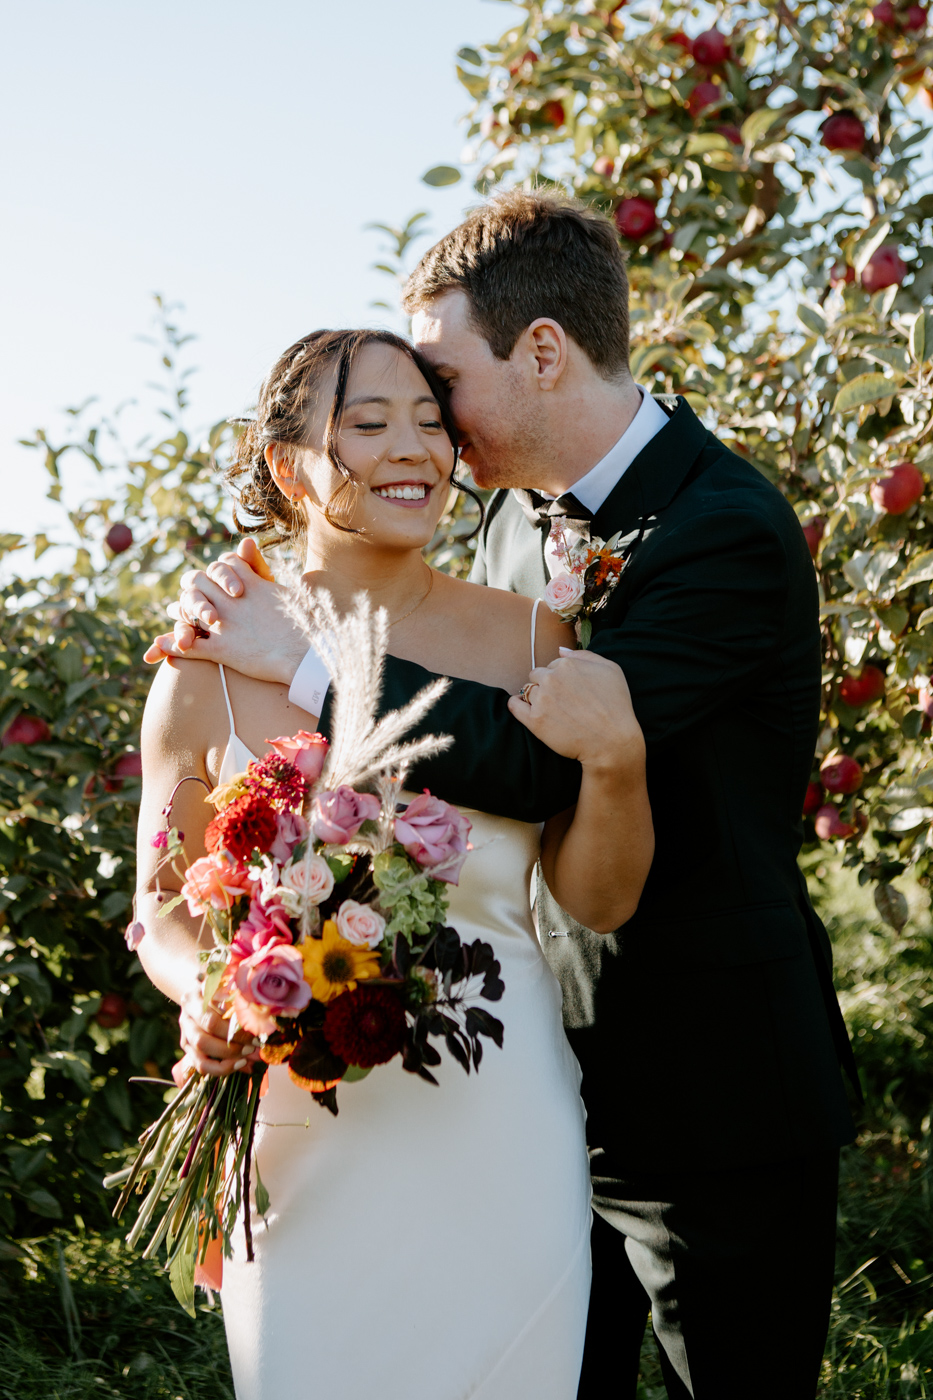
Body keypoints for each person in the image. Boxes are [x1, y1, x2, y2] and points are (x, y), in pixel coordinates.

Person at [150, 190, 860, 1400]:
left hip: (710, 1080)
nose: (433, 432)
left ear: (540, 350)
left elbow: (534, 763)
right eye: (389, 411)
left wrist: (311, 664)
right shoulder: (517, 540)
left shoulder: (724, 527)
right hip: (528, 1070)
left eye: (440, 385)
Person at [136, 325, 654, 1400]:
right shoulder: (207, 661)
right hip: (296, 1133)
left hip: (500, 1123)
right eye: (368, 423)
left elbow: (599, 894)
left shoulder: (532, 636)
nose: (414, 448)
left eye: (431, 422)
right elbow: (160, 902)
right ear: (289, 466)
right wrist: (208, 989)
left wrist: (617, 764)